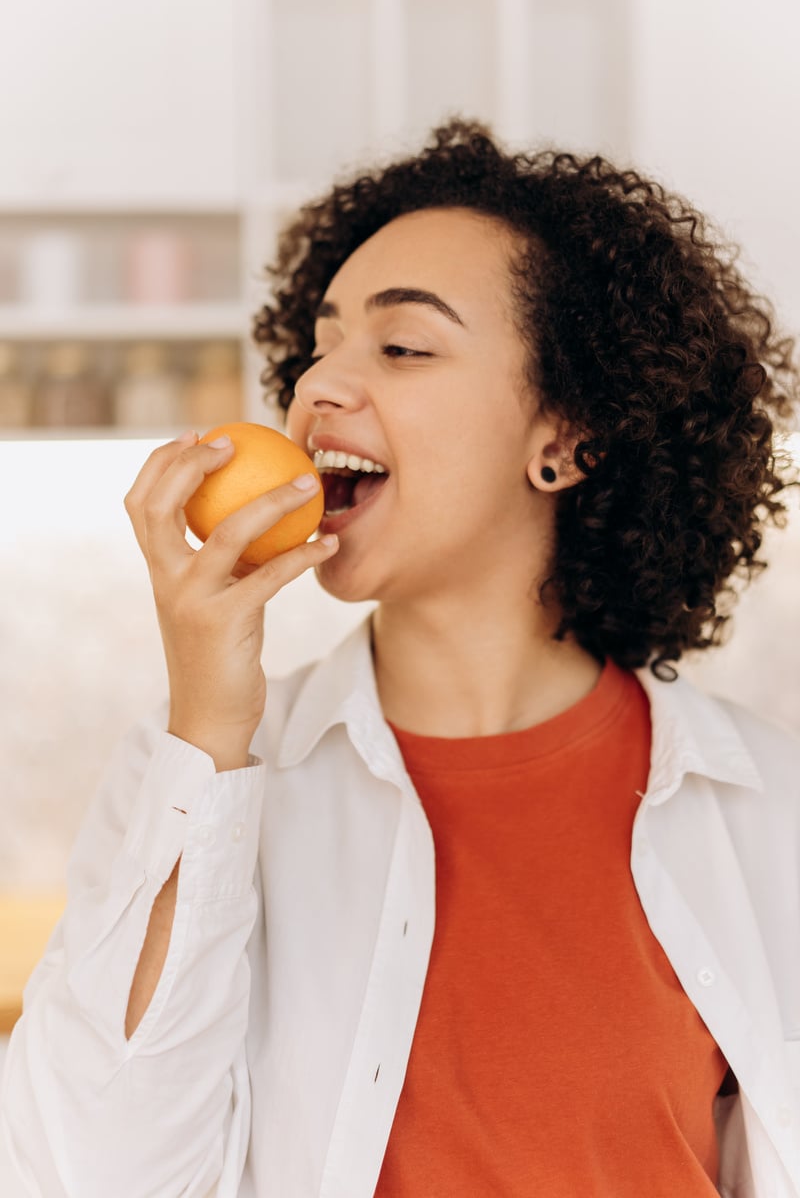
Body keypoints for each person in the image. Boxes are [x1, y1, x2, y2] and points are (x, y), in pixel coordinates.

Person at [2, 118, 799, 1198]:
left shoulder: (762, 805)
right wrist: (207, 735)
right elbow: (87, 1178)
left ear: (564, 438)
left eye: (401, 347)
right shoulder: (197, 771)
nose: (317, 387)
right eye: (317, 346)